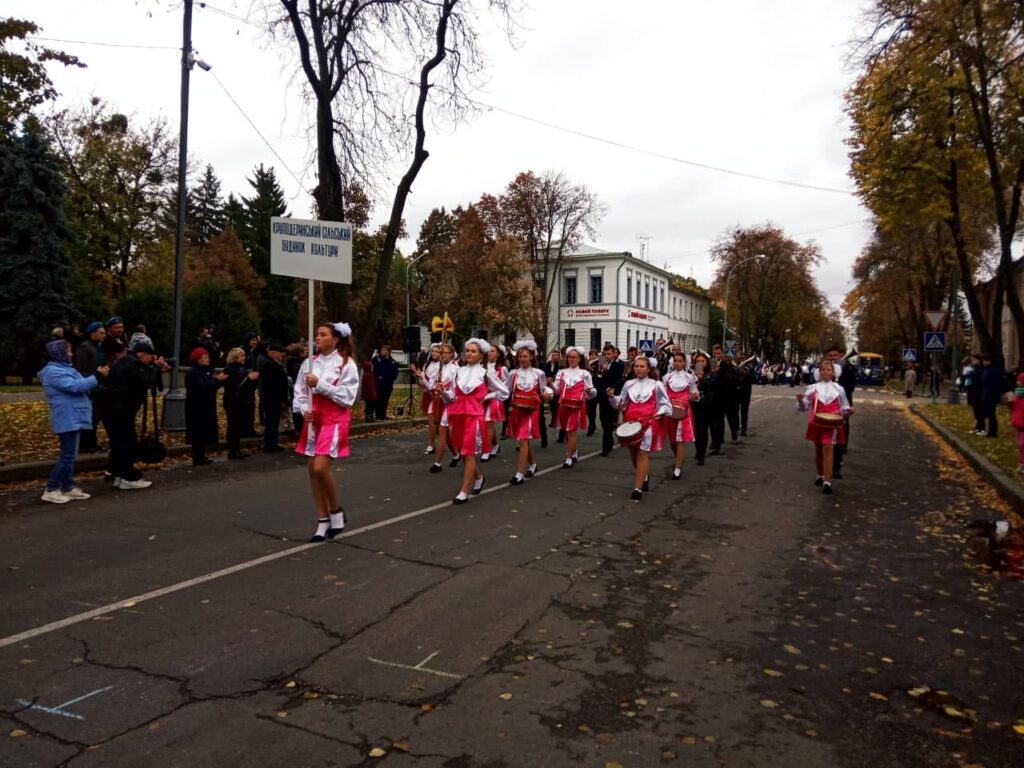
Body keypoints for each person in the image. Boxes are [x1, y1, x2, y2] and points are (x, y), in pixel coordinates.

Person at [293, 322, 360, 541]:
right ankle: (322, 519)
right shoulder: (309, 363)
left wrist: (320, 384)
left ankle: (336, 510)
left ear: (336, 339)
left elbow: (347, 398)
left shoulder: (345, 364)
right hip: (315, 420)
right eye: (316, 335)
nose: (317, 338)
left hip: (335, 419)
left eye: (323, 334)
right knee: (312, 469)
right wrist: (304, 410)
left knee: (321, 467)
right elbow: (300, 393)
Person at [38, 339, 109, 503]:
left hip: (72, 415)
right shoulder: (53, 372)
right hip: (67, 416)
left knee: (70, 454)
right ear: (60, 353)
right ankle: (51, 488)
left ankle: (68, 486)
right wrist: (97, 376)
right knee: (67, 455)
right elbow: (75, 386)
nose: (71, 354)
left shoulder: (64, 369)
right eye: (68, 351)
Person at [443, 338, 509, 504]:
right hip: (458, 415)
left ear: (481, 355)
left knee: (469, 452)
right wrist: (442, 392)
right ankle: (479, 477)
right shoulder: (459, 371)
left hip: (474, 417)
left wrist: (486, 396)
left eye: (473, 351)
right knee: (463, 452)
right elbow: (451, 396)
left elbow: (504, 392)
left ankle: (464, 491)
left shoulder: (485, 373)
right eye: (468, 350)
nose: (469, 353)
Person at [99, 341, 168, 490]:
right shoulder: (132, 364)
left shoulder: (128, 361)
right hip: (119, 408)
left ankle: (118, 474)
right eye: (151, 356)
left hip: (115, 408)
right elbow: (145, 380)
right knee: (127, 443)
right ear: (142, 354)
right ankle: (128, 477)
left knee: (120, 443)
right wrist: (155, 368)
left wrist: (153, 368)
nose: (152, 359)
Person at [609, 354, 673, 500]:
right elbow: (622, 404)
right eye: (636, 366)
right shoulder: (628, 384)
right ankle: (643, 475)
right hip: (630, 422)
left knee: (642, 453)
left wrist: (660, 412)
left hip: (648, 422)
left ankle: (637, 489)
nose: (638, 369)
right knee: (633, 453)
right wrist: (612, 397)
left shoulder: (657, 385)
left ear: (648, 368)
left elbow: (666, 405)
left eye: (642, 366)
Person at [796, 360, 853, 495]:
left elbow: (844, 407)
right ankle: (820, 475)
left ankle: (827, 482)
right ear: (819, 372)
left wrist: (848, 412)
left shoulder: (839, 389)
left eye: (828, 370)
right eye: (823, 370)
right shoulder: (813, 388)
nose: (825, 372)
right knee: (818, 449)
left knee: (828, 448)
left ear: (833, 372)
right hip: (816, 421)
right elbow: (804, 407)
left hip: (832, 423)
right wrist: (800, 400)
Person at [506, 340, 553, 484]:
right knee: (523, 440)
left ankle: (519, 474)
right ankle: (533, 465)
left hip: (532, 409)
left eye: (525, 356)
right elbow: (506, 390)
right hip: (517, 408)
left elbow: (545, 390)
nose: (522, 359)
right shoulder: (513, 373)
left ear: (531, 357)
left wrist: (548, 394)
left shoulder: (538, 373)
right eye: (520, 356)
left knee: (522, 439)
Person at [554, 346, 597, 468]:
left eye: (575, 357)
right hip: (563, 404)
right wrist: (550, 385)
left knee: (571, 430)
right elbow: (557, 391)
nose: (572, 359)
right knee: (567, 431)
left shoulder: (585, 373)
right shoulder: (561, 372)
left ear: (580, 359)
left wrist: (589, 392)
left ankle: (568, 457)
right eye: (570, 357)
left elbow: (593, 392)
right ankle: (574, 451)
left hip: (577, 406)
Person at [184, 347, 226, 465]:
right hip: (197, 407)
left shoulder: (204, 371)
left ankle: (201, 455)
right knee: (198, 432)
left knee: (202, 432)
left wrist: (217, 380)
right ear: (197, 359)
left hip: (204, 405)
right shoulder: (193, 372)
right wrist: (218, 381)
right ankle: (198, 457)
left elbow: (209, 385)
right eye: (204, 357)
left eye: (207, 357)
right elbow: (204, 386)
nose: (207, 359)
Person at [662, 351, 700, 479]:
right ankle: (678, 458)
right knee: (672, 439)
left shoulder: (690, 377)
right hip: (670, 410)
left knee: (680, 439)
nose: (677, 363)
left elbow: (695, 394)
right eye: (675, 360)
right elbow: (662, 394)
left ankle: (677, 468)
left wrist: (694, 396)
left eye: (680, 361)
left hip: (684, 411)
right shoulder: (667, 377)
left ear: (685, 363)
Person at [74, 321, 107, 453]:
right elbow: (80, 369)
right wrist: (95, 376)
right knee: (90, 417)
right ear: (93, 333)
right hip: (90, 386)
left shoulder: (98, 347)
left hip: (98, 386)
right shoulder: (85, 347)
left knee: (96, 418)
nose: (104, 335)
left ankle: (92, 443)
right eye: (101, 333)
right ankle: (86, 444)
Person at [428, 343, 460, 472]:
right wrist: (421, 379)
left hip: (452, 404)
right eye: (441, 352)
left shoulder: (455, 369)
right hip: (440, 402)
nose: (442, 355)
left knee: (443, 431)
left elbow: (455, 393)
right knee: (444, 434)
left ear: (452, 355)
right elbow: (430, 386)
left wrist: (444, 392)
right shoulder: (438, 368)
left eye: (445, 352)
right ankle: (457, 454)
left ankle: (438, 463)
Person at [223, 347, 259, 459]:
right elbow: (236, 386)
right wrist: (248, 379)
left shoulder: (242, 369)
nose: (244, 358)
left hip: (242, 401)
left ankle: (236, 449)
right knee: (233, 426)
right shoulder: (229, 369)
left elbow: (247, 387)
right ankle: (233, 450)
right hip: (232, 401)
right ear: (234, 358)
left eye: (244, 356)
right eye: (241, 356)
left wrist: (253, 380)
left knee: (237, 426)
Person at [594, 345, 626, 456]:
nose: (607, 356)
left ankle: (605, 448)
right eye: (605, 354)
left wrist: (612, 390)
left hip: (612, 396)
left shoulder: (619, 366)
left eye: (609, 354)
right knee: (603, 421)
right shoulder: (601, 365)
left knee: (609, 422)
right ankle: (609, 441)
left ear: (614, 354)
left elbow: (620, 381)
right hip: (603, 396)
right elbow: (597, 380)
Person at [410, 344, 442, 454]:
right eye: (433, 351)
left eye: (437, 351)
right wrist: (419, 376)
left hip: (436, 396)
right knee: (436, 423)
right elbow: (423, 382)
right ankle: (445, 440)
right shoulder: (427, 364)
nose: (434, 353)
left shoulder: (441, 367)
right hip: (428, 394)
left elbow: (433, 385)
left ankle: (431, 444)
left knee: (432, 420)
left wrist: (423, 379)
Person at [259, 344, 290, 452]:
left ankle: (273, 443)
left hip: (276, 399)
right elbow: (271, 385)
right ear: (273, 353)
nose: (282, 354)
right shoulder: (269, 365)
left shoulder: (276, 364)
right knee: (271, 423)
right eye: (279, 352)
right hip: (272, 399)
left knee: (274, 422)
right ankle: (269, 445)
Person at [482, 344, 509, 461]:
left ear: (498, 353)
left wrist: (491, 395)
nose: (490, 353)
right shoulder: (481, 367)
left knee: (489, 423)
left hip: (494, 397)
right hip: (482, 398)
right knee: (485, 424)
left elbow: (506, 387)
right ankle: (495, 445)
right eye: (488, 351)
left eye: (493, 351)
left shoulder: (502, 369)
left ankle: (486, 450)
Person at [690, 351, 713, 466]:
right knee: (695, 430)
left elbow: (712, 386)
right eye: (698, 361)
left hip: (706, 405)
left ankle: (701, 455)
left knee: (703, 430)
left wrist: (702, 379)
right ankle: (698, 450)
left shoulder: (710, 374)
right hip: (694, 405)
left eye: (702, 361)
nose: (700, 363)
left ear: (706, 362)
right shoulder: (691, 374)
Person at [542, 348, 563, 446]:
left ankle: (561, 431)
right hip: (548, 387)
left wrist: (553, 380)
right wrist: (547, 379)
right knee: (551, 406)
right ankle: (554, 419)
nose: (554, 357)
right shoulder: (546, 364)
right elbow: (543, 374)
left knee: (558, 407)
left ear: (559, 357)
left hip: (557, 387)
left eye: (556, 355)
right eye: (553, 355)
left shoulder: (561, 366)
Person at [372, 345, 400, 421]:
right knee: (378, 400)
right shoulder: (377, 360)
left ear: (388, 352)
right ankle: (378, 415)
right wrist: (378, 377)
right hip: (379, 384)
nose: (382, 352)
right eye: (382, 350)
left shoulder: (392, 361)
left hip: (388, 384)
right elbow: (374, 370)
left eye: (384, 350)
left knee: (385, 400)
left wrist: (391, 379)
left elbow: (395, 372)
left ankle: (383, 414)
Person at [979, 354, 1004, 438]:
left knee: (992, 414)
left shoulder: (995, 370)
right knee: (989, 414)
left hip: (992, 396)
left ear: (989, 361)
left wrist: (990, 394)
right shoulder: (986, 370)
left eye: (985, 361)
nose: (983, 362)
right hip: (986, 395)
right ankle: (990, 431)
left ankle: (993, 432)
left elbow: (995, 384)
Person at [966, 355, 985, 434]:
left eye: (974, 360)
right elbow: (970, 382)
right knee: (976, 412)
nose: (972, 361)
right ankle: (978, 427)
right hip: (972, 394)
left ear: (979, 360)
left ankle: (982, 428)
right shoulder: (974, 370)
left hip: (978, 394)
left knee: (979, 412)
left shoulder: (981, 371)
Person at [1012, 373, 1024, 472]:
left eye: (1019, 380)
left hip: (1022, 423)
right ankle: (1021, 463)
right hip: (1018, 422)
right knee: (1020, 445)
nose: (1017, 382)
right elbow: (1014, 407)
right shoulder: (1018, 394)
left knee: (1022, 444)